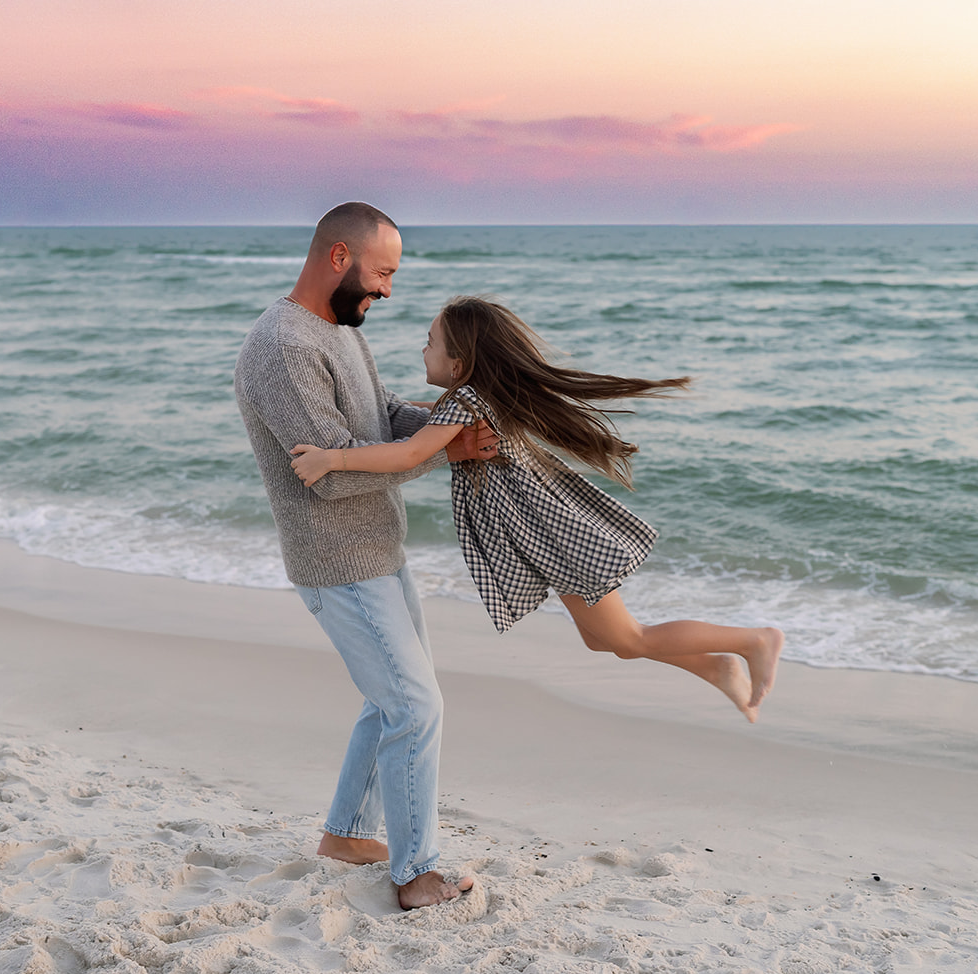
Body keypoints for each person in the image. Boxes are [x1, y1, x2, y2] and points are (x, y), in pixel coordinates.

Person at [290, 296, 785, 721]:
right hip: (547, 530)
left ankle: (753, 641)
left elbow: (411, 452)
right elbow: (422, 439)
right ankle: (715, 666)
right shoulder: (475, 397)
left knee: (629, 638)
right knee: (601, 640)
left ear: (460, 363)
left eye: (431, 341)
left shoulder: (464, 399)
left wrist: (334, 456)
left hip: (553, 531)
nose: (423, 348)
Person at [234, 203, 497, 910]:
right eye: (382, 273)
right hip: (338, 558)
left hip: (379, 547)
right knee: (414, 706)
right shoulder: (285, 346)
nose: (388, 290)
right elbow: (337, 470)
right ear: (340, 258)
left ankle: (348, 834)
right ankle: (415, 872)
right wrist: (436, 450)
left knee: (392, 704)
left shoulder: (337, 330)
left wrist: (450, 431)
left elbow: (380, 414)